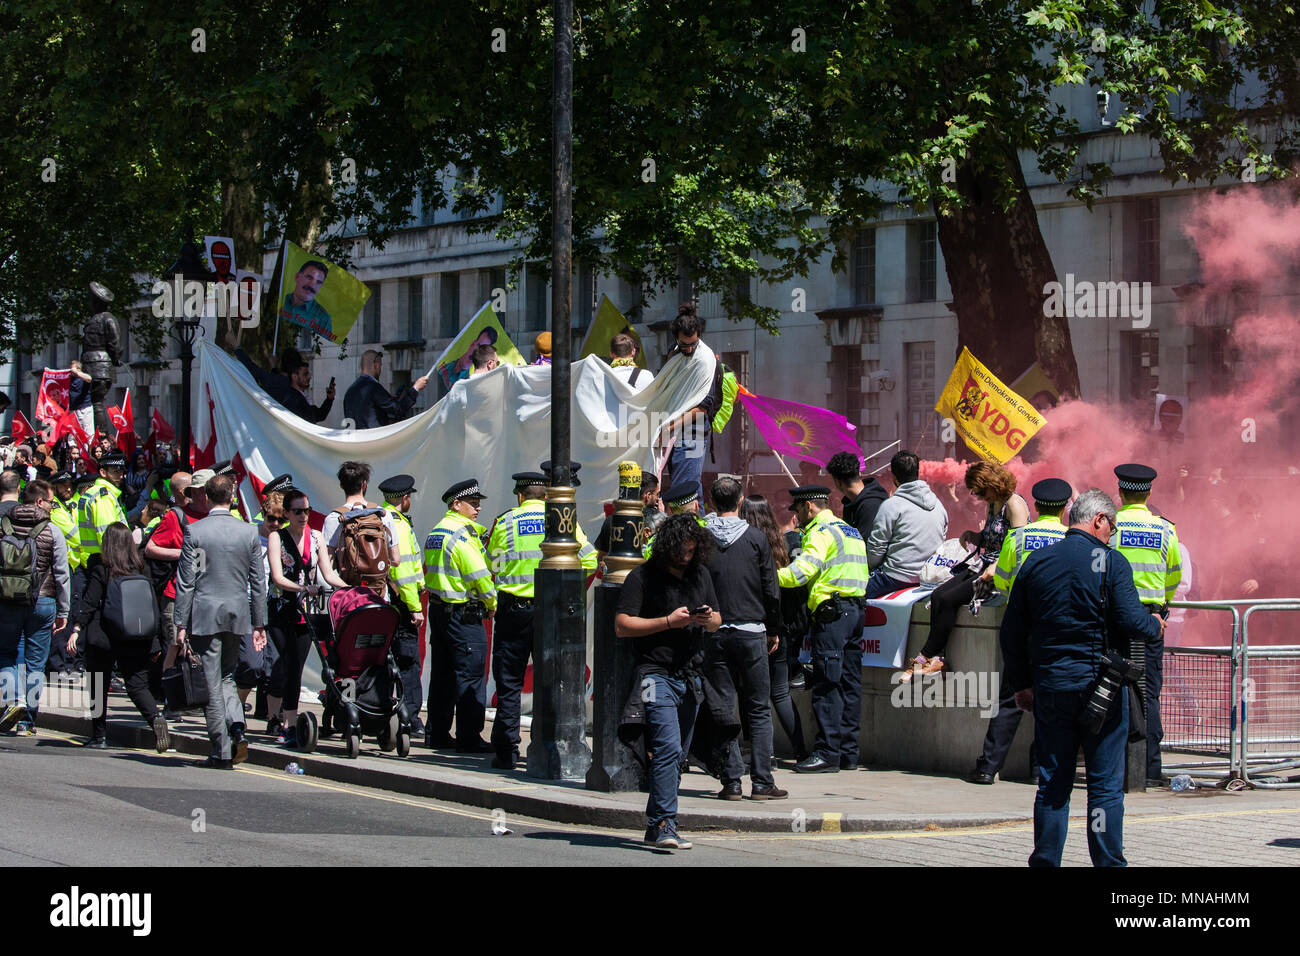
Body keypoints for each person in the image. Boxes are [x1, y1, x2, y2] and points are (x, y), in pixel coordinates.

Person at [999, 488, 1164, 867]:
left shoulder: (1037, 562)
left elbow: (1012, 631)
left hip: (1051, 688)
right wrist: (1154, 624)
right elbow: (1130, 620)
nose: (1113, 535)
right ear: (1099, 520)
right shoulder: (1111, 562)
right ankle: (1108, 864)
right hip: (1100, 692)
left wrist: (1022, 685)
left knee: (1053, 786)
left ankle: (1045, 861)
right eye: (1112, 526)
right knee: (1104, 788)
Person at [615, 514, 721, 850]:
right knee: (667, 748)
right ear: (667, 546)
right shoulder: (643, 576)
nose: (685, 558)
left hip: (689, 676)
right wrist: (666, 622)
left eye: (692, 552)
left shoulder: (700, 574)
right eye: (680, 551)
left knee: (677, 755)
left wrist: (707, 620)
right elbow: (622, 625)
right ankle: (664, 824)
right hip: (653, 673)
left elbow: (718, 620)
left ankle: (655, 824)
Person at [969, 477, 1071, 785]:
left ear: (1036, 507)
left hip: (1021, 623)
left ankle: (988, 767)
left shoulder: (1020, 536)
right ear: (1065, 508)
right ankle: (1042, 769)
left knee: (1010, 697)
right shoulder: (1071, 538)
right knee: (1051, 699)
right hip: (1057, 626)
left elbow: (1001, 579)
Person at [899, 460, 1027, 681]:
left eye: (981, 492)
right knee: (938, 595)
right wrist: (974, 537)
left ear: (992, 483)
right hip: (984, 564)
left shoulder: (1014, 504)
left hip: (1001, 571)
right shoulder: (993, 504)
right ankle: (936, 658)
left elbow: (1018, 546)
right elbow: (991, 538)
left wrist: (997, 567)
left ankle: (924, 656)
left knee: (949, 599)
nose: (979, 497)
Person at [173, 475, 268, 769]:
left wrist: (180, 623)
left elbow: (187, 582)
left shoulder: (196, 531)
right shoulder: (248, 533)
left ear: (207, 497)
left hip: (205, 612)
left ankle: (221, 750)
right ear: (232, 498)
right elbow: (258, 581)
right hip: (237, 612)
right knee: (227, 677)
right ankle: (237, 725)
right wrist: (259, 622)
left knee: (211, 683)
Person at [701, 476, 786, 799]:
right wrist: (774, 628)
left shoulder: (703, 539)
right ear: (740, 502)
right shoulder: (756, 539)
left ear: (712, 503)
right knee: (758, 708)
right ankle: (763, 782)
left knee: (723, 707)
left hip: (714, 631)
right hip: (752, 631)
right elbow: (770, 588)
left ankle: (732, 781)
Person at [778, 484, 869, 773]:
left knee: (827, 684)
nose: (797, 516)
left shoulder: (820, 531)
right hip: (855, 611)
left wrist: (765, 575)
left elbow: (800, 573)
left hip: (832, 614)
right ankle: (847, 753)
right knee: (850, 683)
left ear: (809, 507)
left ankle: (828, 753)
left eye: (798, 510)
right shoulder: (848, 529)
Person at [65, 523, 167, 750]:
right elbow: (151, 606)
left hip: (104, 636)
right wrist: (156, 641)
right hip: (136, 636)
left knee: (98, 685)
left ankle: (99, 737)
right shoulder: (141, 568)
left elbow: (90, 602)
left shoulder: (103, 568)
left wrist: (76, 629)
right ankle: (156, 719)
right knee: (137, 685)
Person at [1112, 463, 1182, 787]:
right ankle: (1151, 770)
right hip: (1153, 621)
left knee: (1112, 686)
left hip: (1117, 619)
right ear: (1149, 492)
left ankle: (1117, 765)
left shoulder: (1111, 527)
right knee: (1149, 692)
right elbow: (1174, 575)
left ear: (1120, 492)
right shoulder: (1166, 529)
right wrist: (1162, 606)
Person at [266, 487, 347, 748]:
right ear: (288, 513)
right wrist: (302, 588)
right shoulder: (277, 538)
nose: (304, 516)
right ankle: (286, 721)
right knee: (288, 662)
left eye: (307, 511)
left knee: (296, 668)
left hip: (306, 610)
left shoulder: (316, 537)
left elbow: (328, 572)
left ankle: (284, 719)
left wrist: (348, 588)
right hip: (281, 609)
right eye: (298, 511)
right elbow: (277, 577)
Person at [423, 478, 497, 752]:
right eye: (473, 504)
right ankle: (469, 737)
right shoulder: (461, 534)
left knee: (442, 675)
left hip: (439, 611)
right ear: (457, 505)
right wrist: (491, 602)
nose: (478, 510)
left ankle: (437, 732)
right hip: (463, 615)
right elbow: (478, 574)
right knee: (471, 676)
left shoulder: (436, 531)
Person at [739, 494, 808, 761]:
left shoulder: (744, 543)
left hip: (752, 626)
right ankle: (800, 750)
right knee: (780, 693)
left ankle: (758, 753)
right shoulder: (780, 542)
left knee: (750, 694)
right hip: (779, 628)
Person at [0, 480, 70, 735]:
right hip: (44, 601)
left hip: (8, 600)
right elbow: (62, 573)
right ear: (39, 501)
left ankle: (15, 699)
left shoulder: (4, 524)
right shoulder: (52, 530)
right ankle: (27, 722)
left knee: (5, 652)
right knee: (36, 663)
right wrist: (64, 611)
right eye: (52, 501)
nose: (53, 506)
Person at [659, 302, 725, 504]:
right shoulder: (674, 353)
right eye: (684, 344)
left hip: (694, 430)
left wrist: (672, 425)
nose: (689, 349)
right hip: (673, 427)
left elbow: (705, 405)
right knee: (684, 488)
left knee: (685, 488)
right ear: (676, 339)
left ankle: (694, 531)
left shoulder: (705, 360)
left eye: (693, 344)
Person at [378, 474, 427, 737]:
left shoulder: (378, 518)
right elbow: (404, 571)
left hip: (381, 603)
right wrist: (414, 606)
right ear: (404, 498)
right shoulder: (397, 524)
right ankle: (409, 718)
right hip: (401, 603)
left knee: (384, 660)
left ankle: (383, 713)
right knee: (408, 662)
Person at [865, 450, 948, 598]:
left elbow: (875, 550)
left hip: (894, 577)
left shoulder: (891, 505)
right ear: (917, 472)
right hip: (929, 576)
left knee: (849, 594)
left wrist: (868, 566)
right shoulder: (939, 505)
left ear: (894, 476)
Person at [230, 332, 336, 424]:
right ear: (294, 375)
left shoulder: (275, 383)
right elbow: (318, 415)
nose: (309, 377)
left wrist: (236, 346)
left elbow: (252, 367)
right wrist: (329, 400)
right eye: (305, 374)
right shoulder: (295, 397)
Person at [321, 461, 401, 571]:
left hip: (347, 585)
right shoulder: (382, 514)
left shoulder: (335, 518)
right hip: (377, 585)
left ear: (341, 486)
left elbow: (327, 564)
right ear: (364, 485)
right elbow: (396, 560)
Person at [343, 349, 429, 429]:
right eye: (380, 366)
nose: (380, 369)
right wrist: (416, 388)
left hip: (355, 441)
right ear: (376, 366)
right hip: (373, 442)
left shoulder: (350, 391)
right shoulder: (373, 387)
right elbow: (398, 409)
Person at [81, 281, 120, 436]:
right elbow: (115, 344)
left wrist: (115, 358)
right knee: (93, 403)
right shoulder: (103, 319)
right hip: (97, 367)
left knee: (96, 403)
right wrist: (115, 358)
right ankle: (95, 434)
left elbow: (114, 344)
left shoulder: (103, 319)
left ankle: (101, 435)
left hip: (97, 367)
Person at [77, 450, 129, 561]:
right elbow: (107, 534)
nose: (120, 477)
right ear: (103, 472)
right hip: (108, 559)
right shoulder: (103, 496)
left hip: (100, 558)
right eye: (115, 472)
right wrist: (119, 562)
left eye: (121, 473)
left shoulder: (98, 492)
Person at [826, 450, 888, 541]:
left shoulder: (871, 505)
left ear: (838, 482)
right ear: (859, 473)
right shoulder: (849, 502)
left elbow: (862, 542)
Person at [279, 260, 333, 339]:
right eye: (309, 277)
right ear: (297, 277)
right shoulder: (280, 300)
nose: (312, 285)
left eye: (318, 282)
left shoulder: (323, 318)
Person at [68, 360, 95, 440]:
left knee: (88, 434)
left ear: (78, 368)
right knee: (72, 436)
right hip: (73, 410)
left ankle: (87, 451)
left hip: (84, 409)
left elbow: (89, 378)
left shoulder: (84, 378)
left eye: (72, 369)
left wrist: (76, 373)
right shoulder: (69, 379)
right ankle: (74, 451)